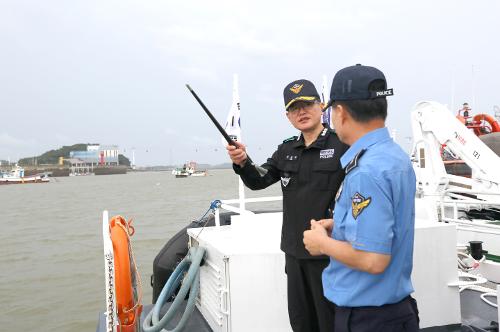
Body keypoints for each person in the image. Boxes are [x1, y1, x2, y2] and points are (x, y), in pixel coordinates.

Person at [303, 64, 420, 332]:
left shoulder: (366, 171)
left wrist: (323, 243)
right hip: (395, 313)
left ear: (340, 112)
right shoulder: (394, 156)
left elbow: (373, 260)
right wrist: (340, 228)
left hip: (368, 319)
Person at [226, 79, 348, 332]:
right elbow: (258, 180)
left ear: (321, 106)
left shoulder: (342, 146)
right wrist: (242, 162)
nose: (301, 112)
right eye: (294, 108)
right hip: (293, 253)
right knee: (301, 321)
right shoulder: (285, 150)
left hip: (330, 253)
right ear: (287, 116)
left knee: (331, 321)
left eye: (307, 104)